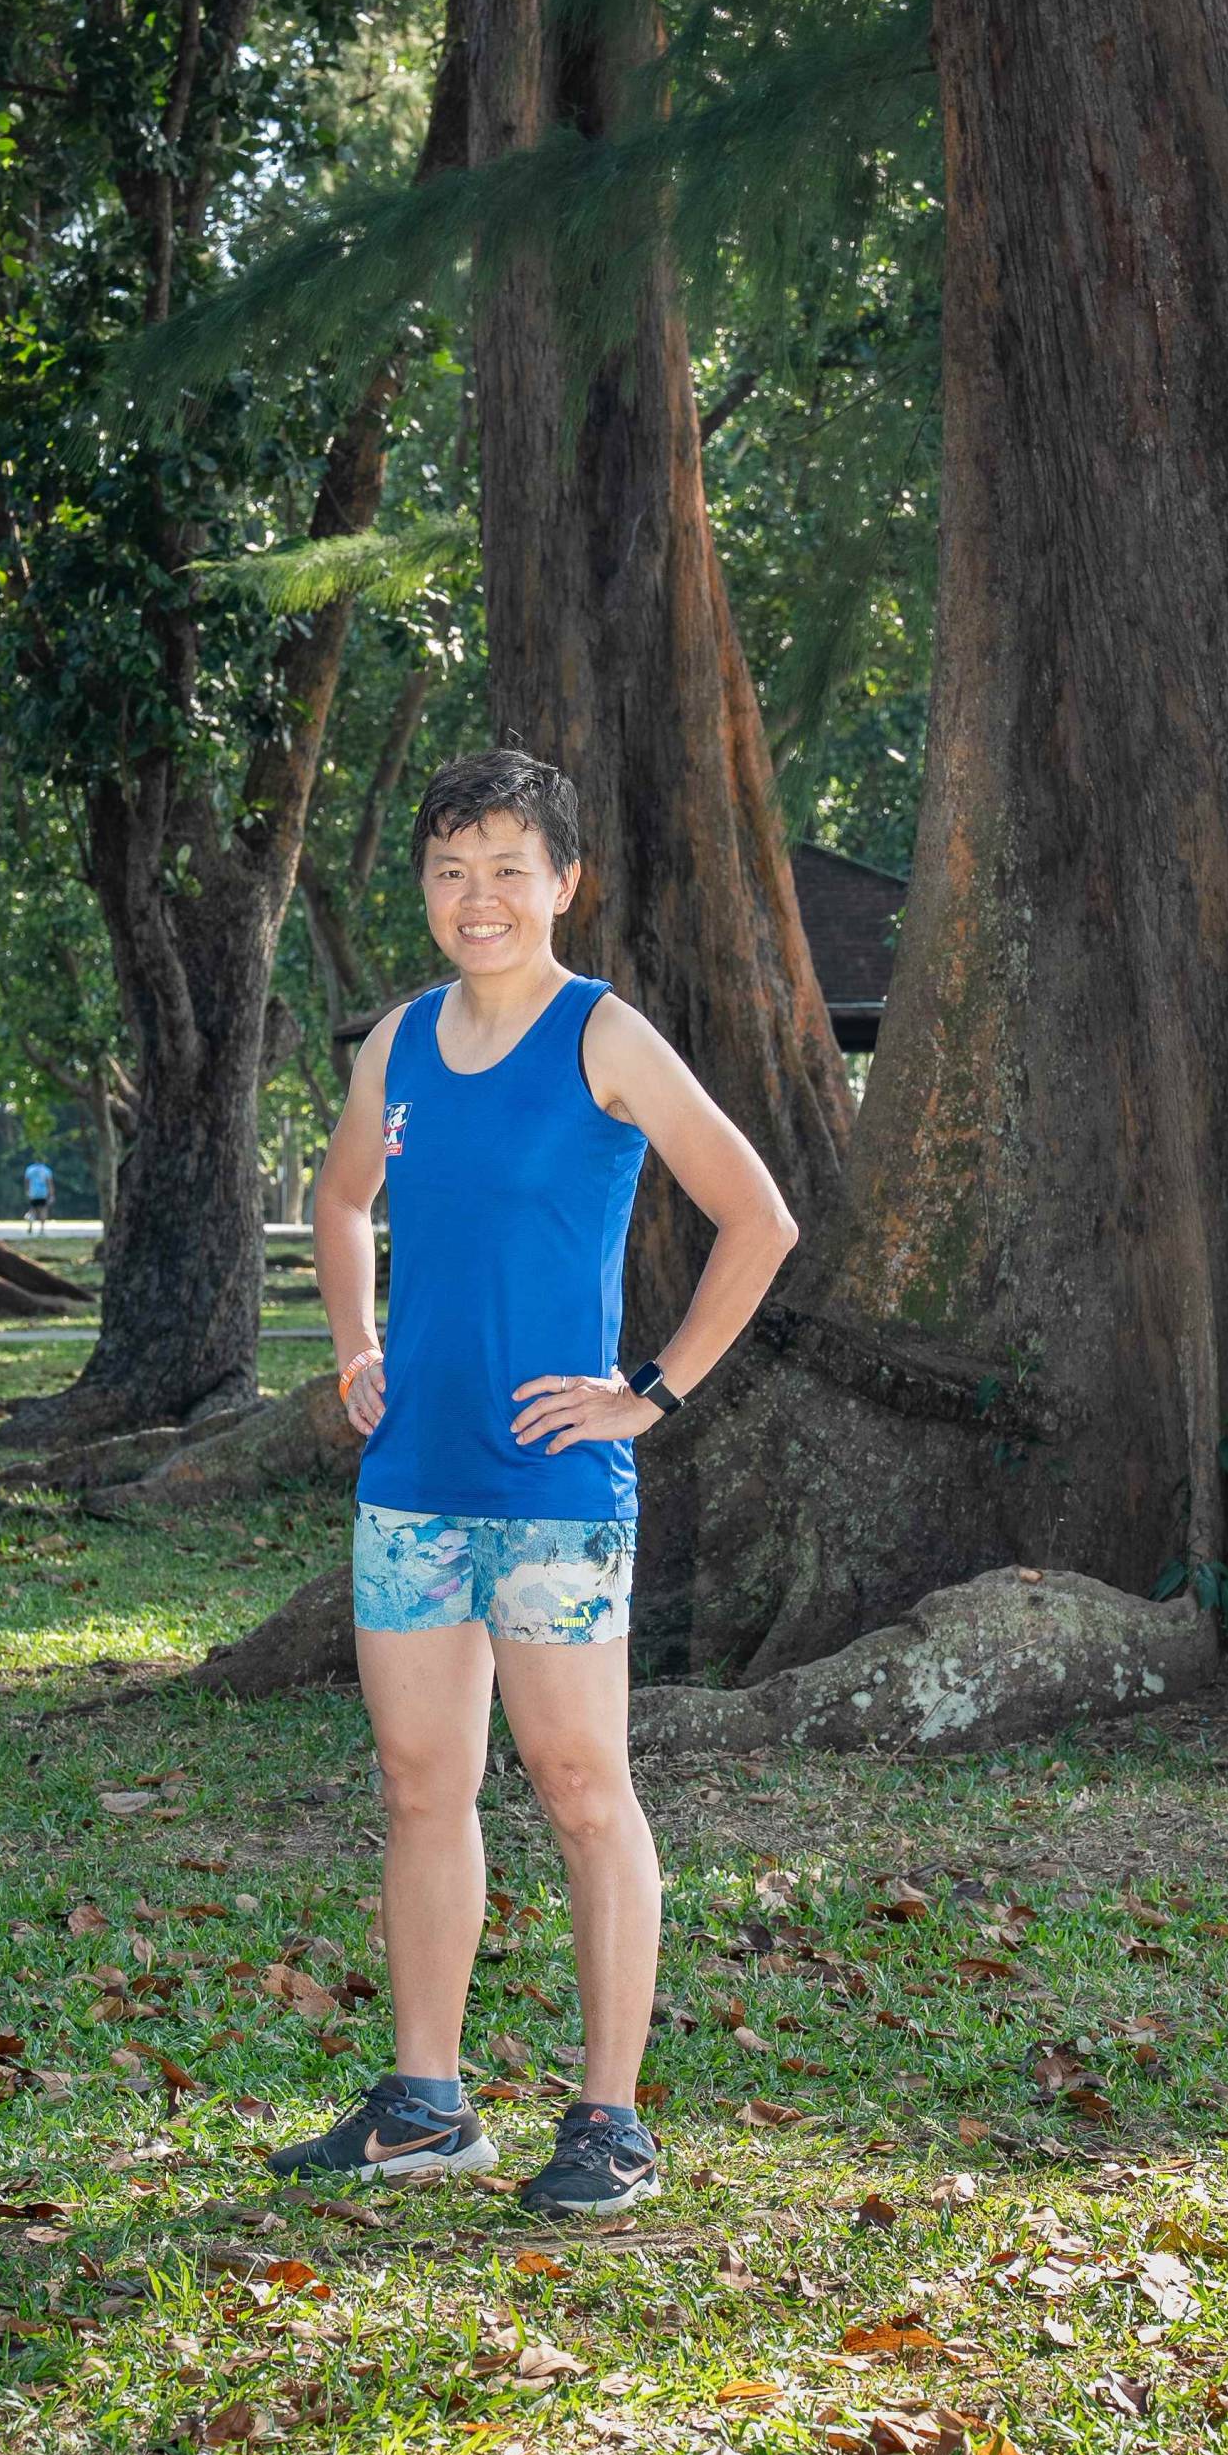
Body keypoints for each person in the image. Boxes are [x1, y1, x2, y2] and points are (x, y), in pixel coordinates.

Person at [273, 747, 800, 2218]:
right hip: (412, 1482)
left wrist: (651, 1392)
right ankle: (426, 2105)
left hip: (557, 1488)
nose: (478, 896)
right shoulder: (397, 1042)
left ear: (565, 882)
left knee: (579, 1786)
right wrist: (356, 1342)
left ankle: (611, 2121)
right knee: (419, 1783)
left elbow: (759, 1217)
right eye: (451, 870)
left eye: (509, 867)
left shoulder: (604, 1036)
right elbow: (340, 1198)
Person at [22, 1157, 55, 1235]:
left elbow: (26, 1181)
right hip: (43, 1193)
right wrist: (52, 1195)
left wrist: (27, 1191)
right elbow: (49, 1183)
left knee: (33, 1210)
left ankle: (30, 1227)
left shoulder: (30, 1169)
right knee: (43, 1210)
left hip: (33, 1192)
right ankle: (42, 1229)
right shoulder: (46, 1170)